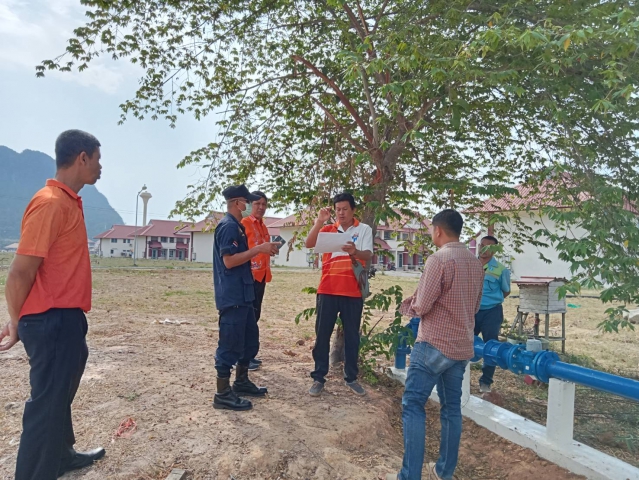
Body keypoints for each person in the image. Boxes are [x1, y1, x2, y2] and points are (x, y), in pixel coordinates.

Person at [0, 130, 106, 480]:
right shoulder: (50, 203)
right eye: (98, 159)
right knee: (46, 404)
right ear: (82, 158)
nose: (101, 167)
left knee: (59, 393)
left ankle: (61, 456)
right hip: (50, 319)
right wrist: (16, 321)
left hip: (66, 318)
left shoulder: (68, 201)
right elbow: (20, 273)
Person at [387, 209, 484, 480]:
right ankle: (443, 472)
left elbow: (423, 305)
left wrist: (409, 305)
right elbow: (476, 306)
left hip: (433, 344)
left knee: (413, 404)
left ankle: (410, 476)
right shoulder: (475, 263)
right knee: (451, 409)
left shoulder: (438, 259)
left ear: (438, 230)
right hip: (461, 347)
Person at [213, 185, 279, 411]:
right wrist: (258, 249)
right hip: (232, 296)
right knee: (229, 344)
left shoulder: (238, 226)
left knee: (249, 340)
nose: (251, 205)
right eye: (248, 201)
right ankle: (222, 393)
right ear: (237, 203)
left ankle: (241, 381)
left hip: (244, 293)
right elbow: (229, 261)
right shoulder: (228, 226)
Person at [305, 192, 373, 397]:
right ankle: (319, 377)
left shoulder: (363, 229)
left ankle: (351, 378)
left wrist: (354, 252)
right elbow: (309, 243)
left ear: (353, 210)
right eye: (337, 210)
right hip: (327, 289)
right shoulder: (328, 230)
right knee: (322, 335)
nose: (341, 213)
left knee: (352, 336)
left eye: (345, 209)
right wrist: (319, 221)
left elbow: (368, 254)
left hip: (352, 291)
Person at [240, 191, 272, 370]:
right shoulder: (244, 224)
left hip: (262, 276)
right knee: (246, 318)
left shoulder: (263, 226)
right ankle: (242, 356)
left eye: (264, 204)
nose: (261, 207)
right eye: (257, 204)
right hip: (249, 277)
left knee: (254, 316)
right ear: (249, 206)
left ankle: (249, 355)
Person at [475, 235, 511, 393]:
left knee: (491, 346)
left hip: (492, 312)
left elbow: (506, 291)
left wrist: (490, 301)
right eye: (482, 245)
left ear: (495, 250)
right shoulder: (470, 265)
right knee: (464, 341)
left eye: (489, 247)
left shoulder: (501, 270)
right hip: (471, 311)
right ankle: (458, 376)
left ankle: (486, 382)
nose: (484, 249)